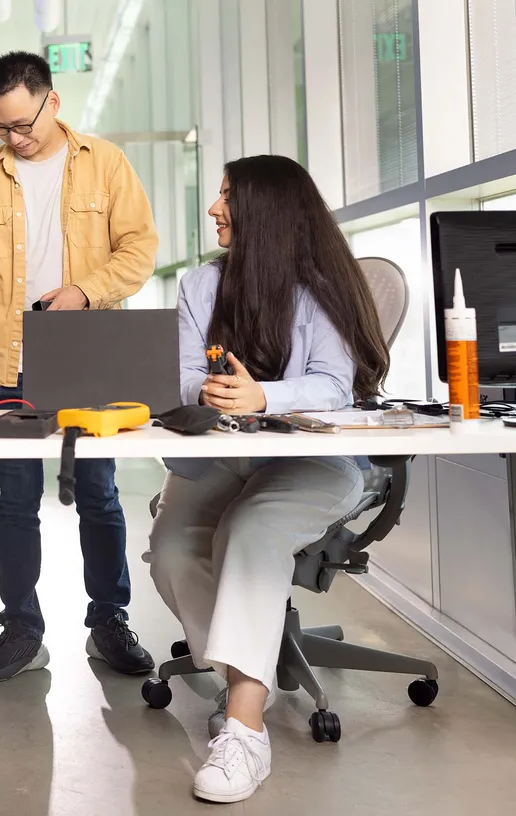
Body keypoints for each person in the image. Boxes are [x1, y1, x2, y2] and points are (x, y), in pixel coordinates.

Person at [146, 155, 389, 803]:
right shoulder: (202, 285)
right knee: (170, 551)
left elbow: (334, 385)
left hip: (314, 463)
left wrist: (263, 396)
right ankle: (243, 673)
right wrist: (213, 387)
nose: (213, 208)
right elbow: (176, 378)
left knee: (250, 530)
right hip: (225, 458)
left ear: (265, 212)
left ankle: (245, 729)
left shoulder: (319, 288)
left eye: (225, 196)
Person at [0, 51, 159, 682]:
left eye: (23, 125)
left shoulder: (105, 163)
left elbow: (139, 248)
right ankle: (22, 626)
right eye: (1, 128)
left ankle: (109, 620)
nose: (15, 139)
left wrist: (85, 290)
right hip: (9, 359)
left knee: (100, 494)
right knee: (15, 500)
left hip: (89, 352)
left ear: (52, 101)